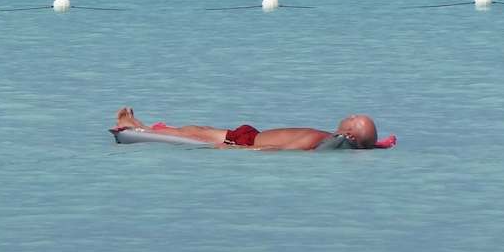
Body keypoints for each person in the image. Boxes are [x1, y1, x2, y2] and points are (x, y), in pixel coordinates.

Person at [112, 106, 382, 150]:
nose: (348, 114)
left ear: (348, 134)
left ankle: (133, 128)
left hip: (247, 143)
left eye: (353, 117)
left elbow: (277, 149)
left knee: (191, 133)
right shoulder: (326, 140)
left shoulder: (317, 143)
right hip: (251, 135)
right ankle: (143, 126)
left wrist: (233, 151)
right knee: (196, 128)